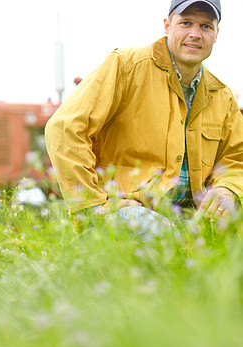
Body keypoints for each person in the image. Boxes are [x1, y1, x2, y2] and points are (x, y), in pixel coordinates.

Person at [45, 0, 243, 227]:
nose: (195, 34)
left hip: (194, 220)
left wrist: (227, 188)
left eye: (205, 26)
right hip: (129, 212)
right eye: (186, 23)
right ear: (167, 26)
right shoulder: (125, 66)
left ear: (217, 33)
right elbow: (63, 128)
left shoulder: (223, 96)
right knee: (161, 236)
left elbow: (236, 159)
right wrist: (91, 207)